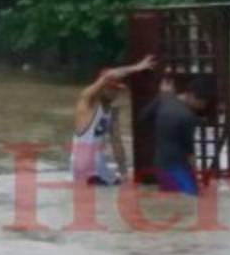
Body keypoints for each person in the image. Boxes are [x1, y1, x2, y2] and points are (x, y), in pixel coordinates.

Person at [71, 54, 156, 185]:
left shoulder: (112, 113)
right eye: (110, 88)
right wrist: (137, 67)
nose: (114, 92)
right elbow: (109, 76)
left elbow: (117, 144)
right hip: (83, 166)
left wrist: (124, 173)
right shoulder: (88, 102)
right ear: (102, 86)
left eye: (116, 90)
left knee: (119, 185)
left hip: (99, 166)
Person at [139, 73, 217, 196]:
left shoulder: (164, 99)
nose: (203, 107)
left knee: (170, 201)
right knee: (194, 200)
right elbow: (190, 152)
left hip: (159, 167)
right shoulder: (188, 117)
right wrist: (195, 175)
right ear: (192, 96)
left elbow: (143, 117)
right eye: (203, 102)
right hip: (178, 169)